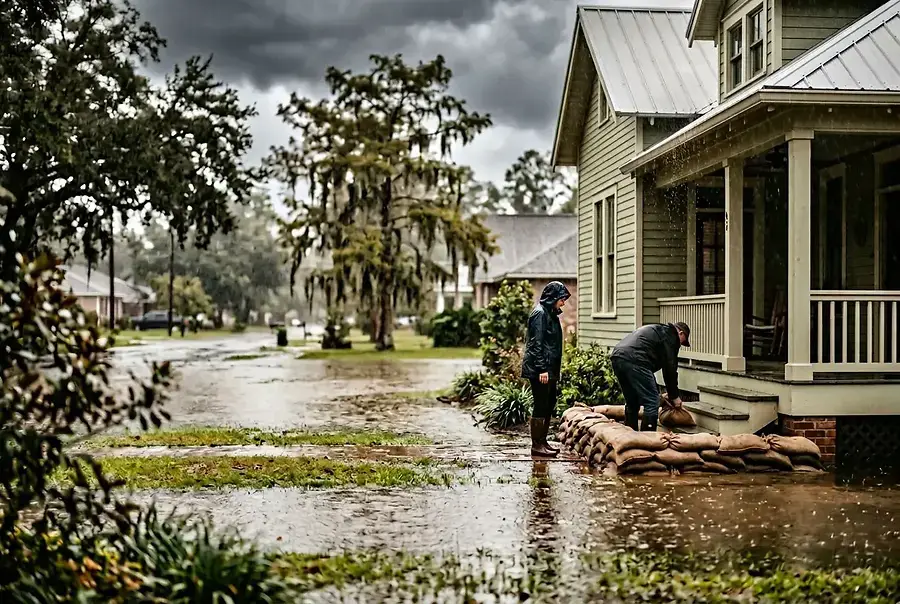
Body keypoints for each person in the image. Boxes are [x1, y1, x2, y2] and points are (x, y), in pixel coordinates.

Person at [610, 321, 691, 432]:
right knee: (652, 401)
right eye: (683, 341)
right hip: (636, 359)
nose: (680, 345)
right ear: (681, 333)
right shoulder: (671, 337)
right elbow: (670, 370)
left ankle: (629, 436)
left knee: (632, 401)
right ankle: (647, 441)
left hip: (617, 356)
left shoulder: (659, 330)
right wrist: (674, 396)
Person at [521, 281, 571, 457]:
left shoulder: (550, 313)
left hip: (549, 369)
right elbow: (536, 345)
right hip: (539, 369)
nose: (563, 303)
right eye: (561, 299)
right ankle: (536, 445)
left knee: (549, 404)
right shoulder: (539, 314)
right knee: (541, 405)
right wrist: (542, 369)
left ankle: (543, 442)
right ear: (553, 298)